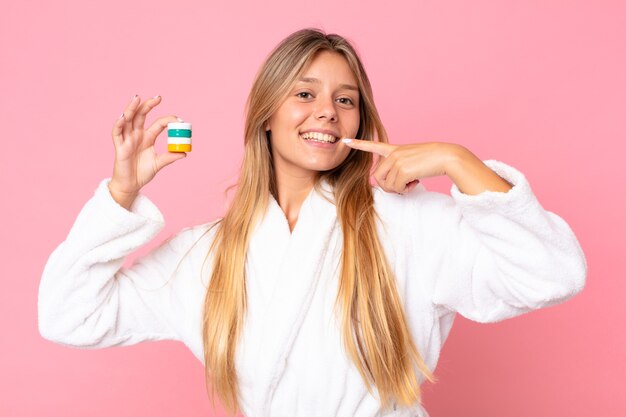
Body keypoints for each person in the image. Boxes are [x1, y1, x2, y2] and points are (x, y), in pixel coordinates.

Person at [38, 28, 587, 417]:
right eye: (305, 93)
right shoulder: (205, 255)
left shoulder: (408, 224)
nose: (327, 110)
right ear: (266, 116)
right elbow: (68, 317)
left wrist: (459, 161)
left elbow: (552, 274)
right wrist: (120, 195)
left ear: (358, 120)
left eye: (345, 100)